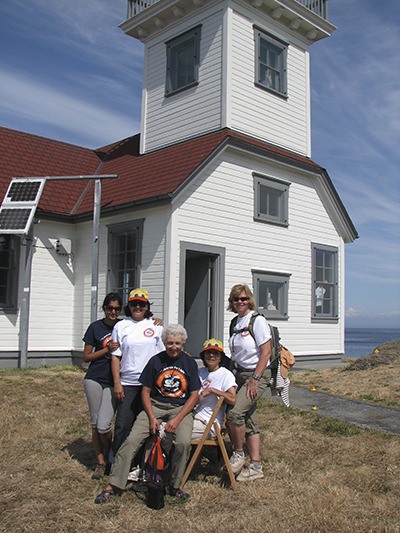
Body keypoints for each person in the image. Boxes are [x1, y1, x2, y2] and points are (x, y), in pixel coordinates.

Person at [94, 324, 200, 504]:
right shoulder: (155, 361)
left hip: (180, 408)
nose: (173, 347)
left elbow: (194, 395)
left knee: (182, 442)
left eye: (177, 343)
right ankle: (114, 484)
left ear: (183, 344)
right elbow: (145, 391)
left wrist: (178, 419)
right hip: (156, 405)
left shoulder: (189, 362)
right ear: (164, 343)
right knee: (132, 440)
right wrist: (151, 418)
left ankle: (175, 485)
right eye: (170, 343)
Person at [110, 288, 164, 457]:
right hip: (128, 383)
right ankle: (116, 461)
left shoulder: (156, 326)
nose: (138, 307)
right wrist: (117, 383)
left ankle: (143, 463)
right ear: (129, 306)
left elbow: (163, 355)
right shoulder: (121, 326)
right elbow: (115, 357)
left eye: (142, 304)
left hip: (150, 385)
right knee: (123, 425)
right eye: (134, 304)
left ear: (147, 306)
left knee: (148, 425)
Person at [226, 283, 271, 481]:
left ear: (249, 300)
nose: (240, 302)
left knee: (235, 413)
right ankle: (256, 465)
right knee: (249, 418)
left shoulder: (257, 320)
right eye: (236, 299)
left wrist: (255, 379)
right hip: (239, 374)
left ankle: (238, 453)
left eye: (244, 299)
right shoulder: (235, 322)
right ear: (232, 302)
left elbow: (266, 352)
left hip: (257, 374)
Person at [83, 292, 122, 479]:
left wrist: (156, 320)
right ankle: (100, 462)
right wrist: (107, 350)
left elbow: (143, 321)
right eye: (109, 308)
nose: (112, 312)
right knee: (94, 422)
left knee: (104, 425)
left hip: (113, 381)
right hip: (94, 377)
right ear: (104, 308)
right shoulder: (95, 327)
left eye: (116, 308)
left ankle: (109, 454)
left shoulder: (124, 325)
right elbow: (86, 356)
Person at [192, 338, 237, 439]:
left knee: (179, 435)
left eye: (215, 353)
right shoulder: (200, 372)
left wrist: (213, 390)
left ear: (220, 358)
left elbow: (232, 399)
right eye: (208, 353)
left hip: (209, 423)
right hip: (193, 416)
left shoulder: (225, 374)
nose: (211, 356)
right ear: (203, 356)